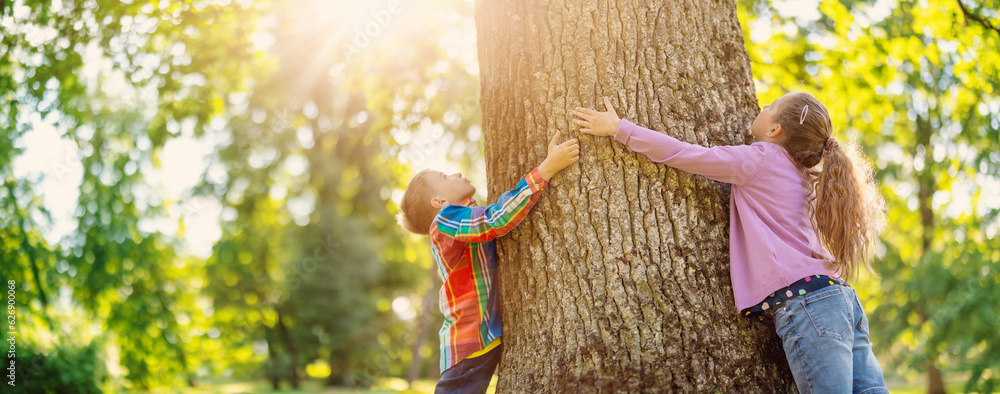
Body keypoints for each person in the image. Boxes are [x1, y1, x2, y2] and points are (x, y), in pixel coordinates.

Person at [572, 94, 888, 393]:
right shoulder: (810, 177)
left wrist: (620, 129)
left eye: (771, 105)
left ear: (775, 130)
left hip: (807, 304)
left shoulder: (761, 158)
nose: (763, 106)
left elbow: (687, 154)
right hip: (841, 300)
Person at [397, 131, 580, 394]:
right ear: (438, 202)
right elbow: (495, 219)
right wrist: (546, 169)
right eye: (445, 177)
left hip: (475, 343)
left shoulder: (457, 220)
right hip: (469, 343)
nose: (457, 173)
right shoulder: (445, 220)